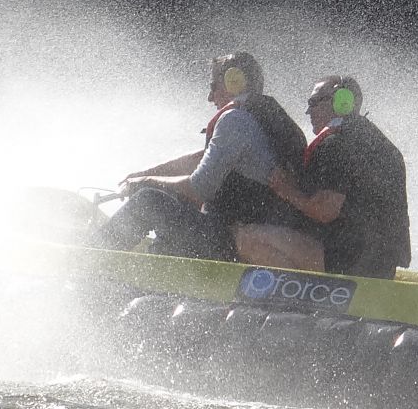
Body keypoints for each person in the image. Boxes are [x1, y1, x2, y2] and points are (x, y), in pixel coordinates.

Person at [100, 51, 309, 260]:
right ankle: (157, 258)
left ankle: (94, 258)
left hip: (233, 242)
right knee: (171, 197)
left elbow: (197, 189)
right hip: (246, 234)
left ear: (233, 82)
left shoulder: (235, 120)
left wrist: (143, 183)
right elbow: (199, 160)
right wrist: (142, 175)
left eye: (213, 86)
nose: (210, 97)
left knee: (148, 200)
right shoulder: (259, 120)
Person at [270, 75, 412, 278]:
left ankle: (294, 294)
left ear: (340, 101)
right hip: (382, 266)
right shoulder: (380, 143)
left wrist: (286, 190)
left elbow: (325, 211)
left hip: (346, 263)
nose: (308, 110)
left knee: (248, 236)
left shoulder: (335, 144)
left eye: (314, 102)